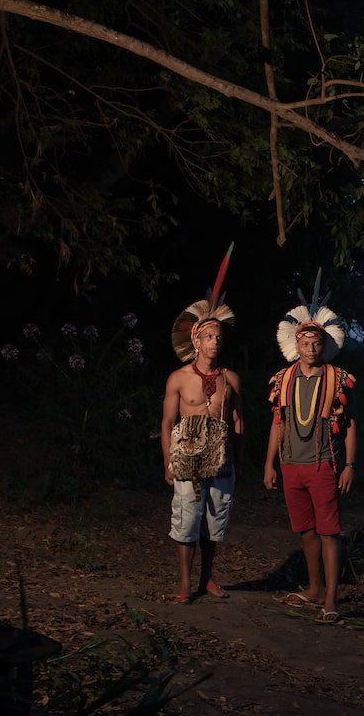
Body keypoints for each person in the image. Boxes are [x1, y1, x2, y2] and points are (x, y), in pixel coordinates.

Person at [263, 273, 358, 624]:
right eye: (305, 342)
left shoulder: (338, 379)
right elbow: (278, 423)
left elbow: (348, 424)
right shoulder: (282, 379)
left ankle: (332, 595)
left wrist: (350, 465)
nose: (311, 348)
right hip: (291, 465)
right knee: (305, 529)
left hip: (323, 463)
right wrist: (269, 464)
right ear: (296, 344)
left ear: (324, 344)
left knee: (329, 530)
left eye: (316, 342)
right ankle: (315, 586)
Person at [160, 247, 243, 604]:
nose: (216, 341)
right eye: (209, 336)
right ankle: (184, 584)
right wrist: (167, 461)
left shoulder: (231, 378)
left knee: (214, 525)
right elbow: (166, 423)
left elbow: (238, 421)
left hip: (222, 462)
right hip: (186, 460)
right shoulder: (178, 378)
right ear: (196, 340)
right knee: (186, 524)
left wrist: (240, 462)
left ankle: (207, 579)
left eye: (219, 336)